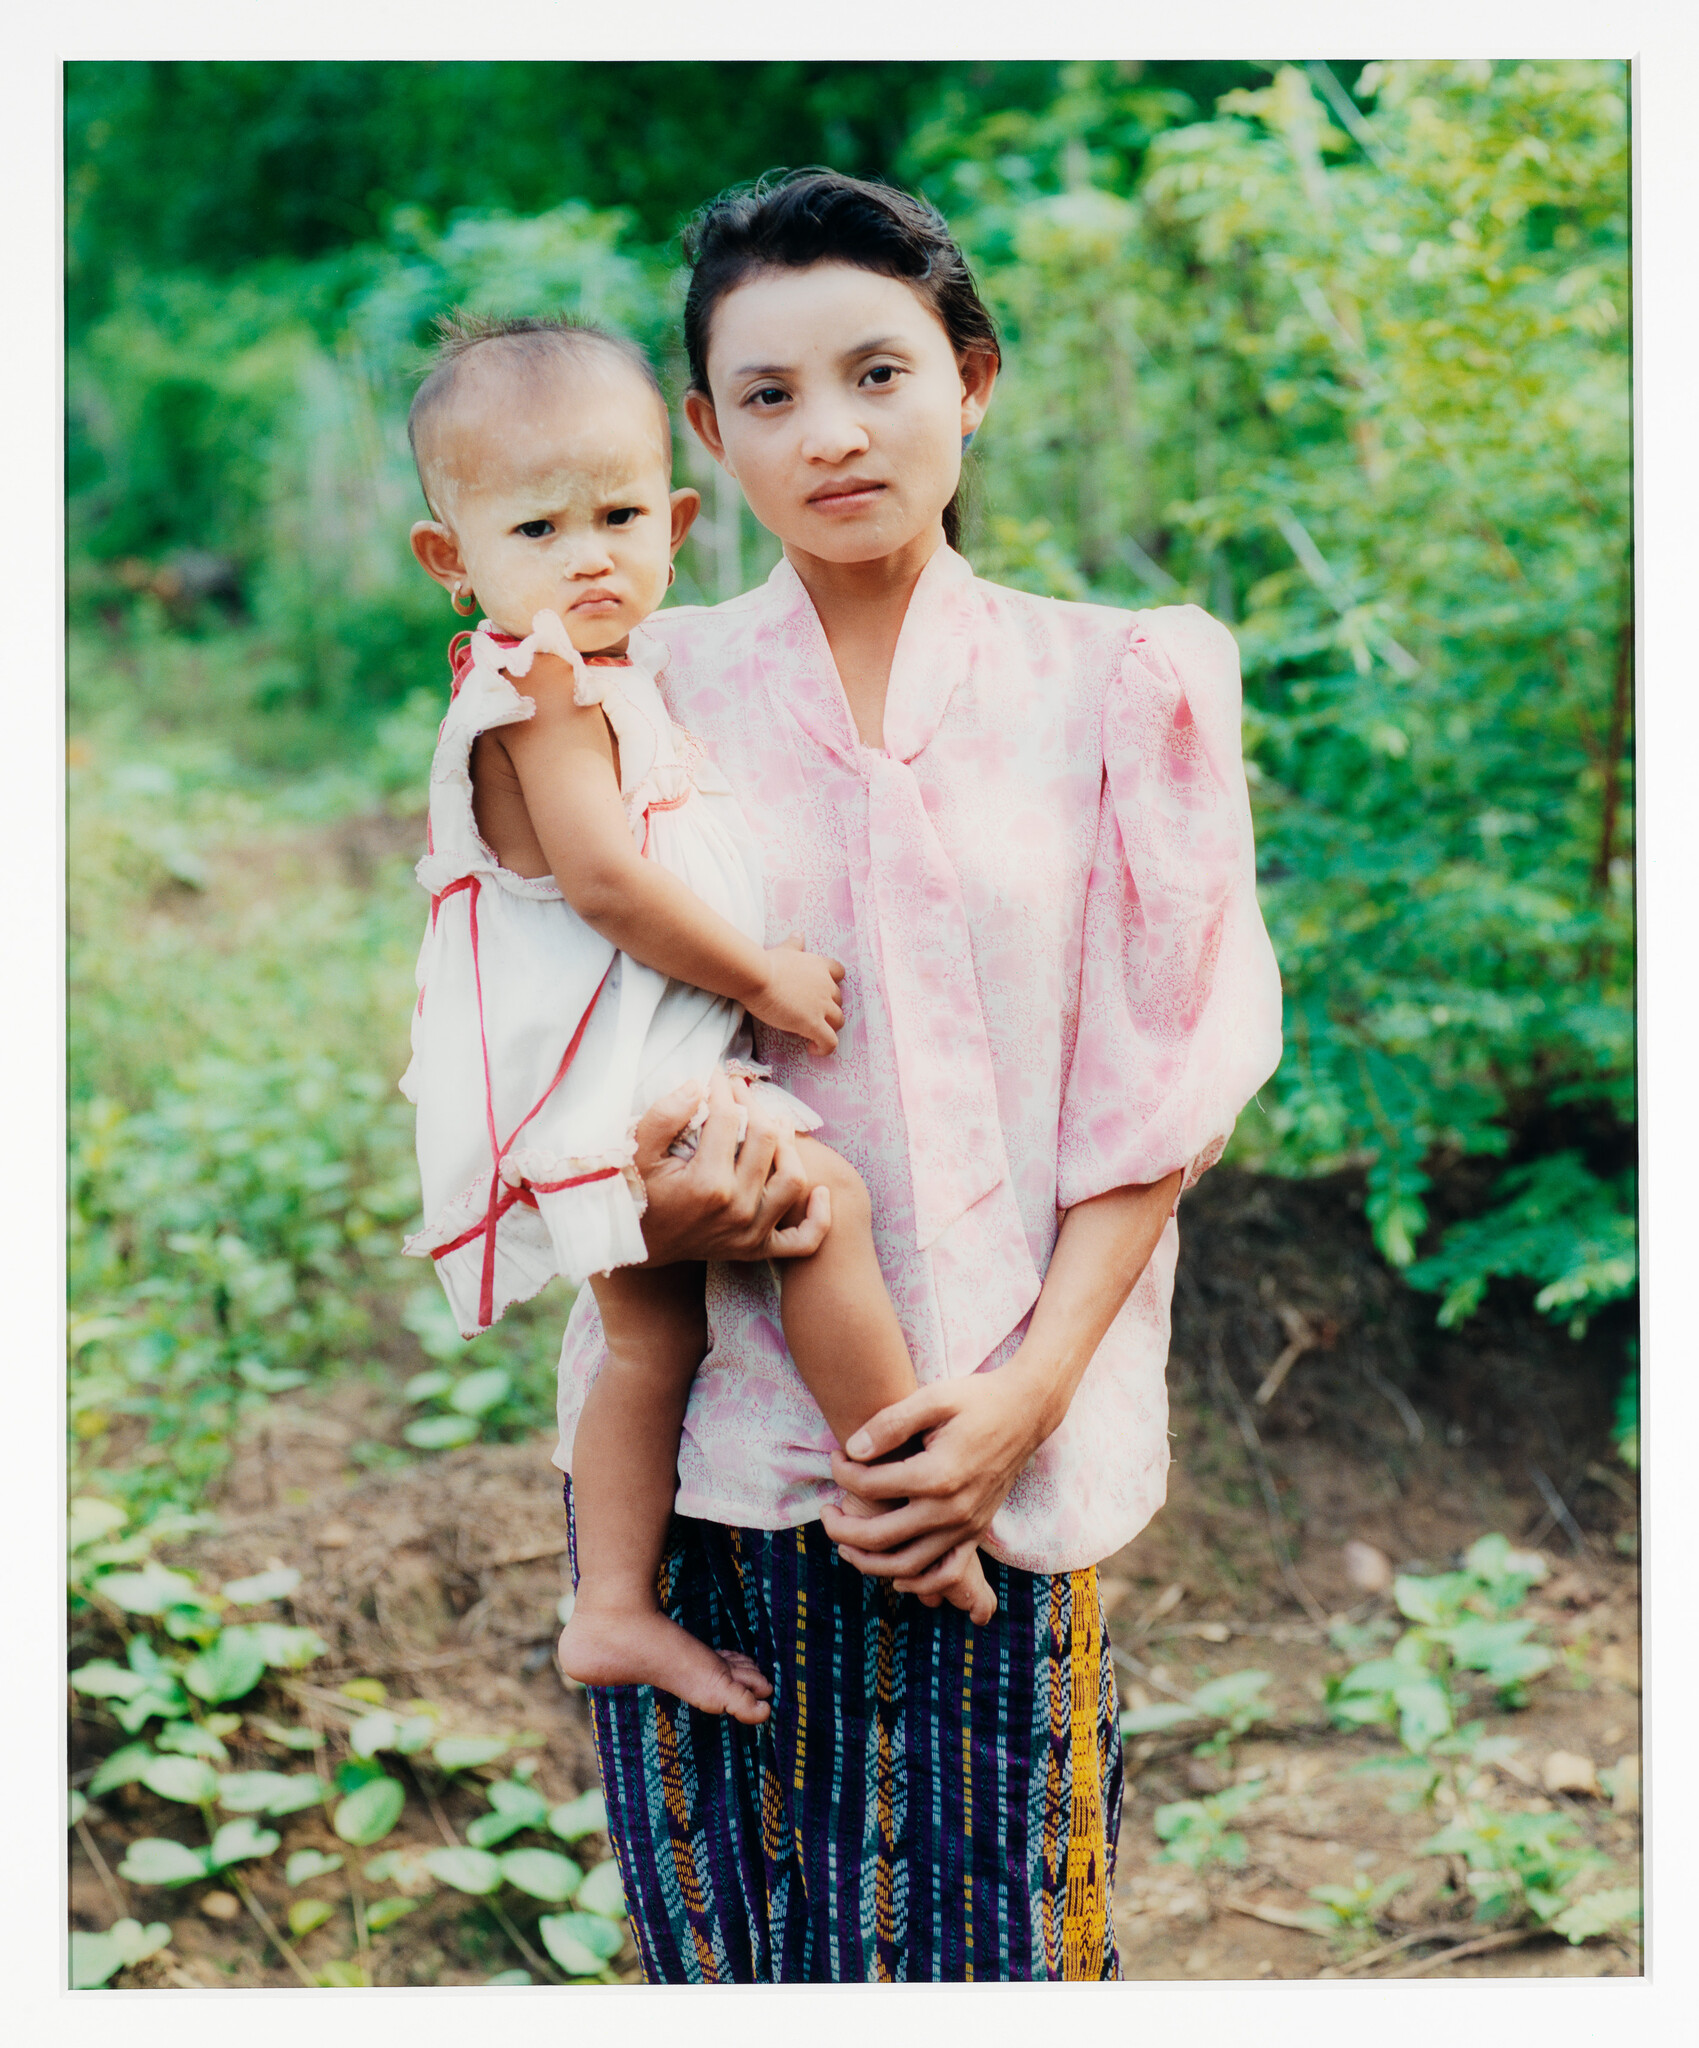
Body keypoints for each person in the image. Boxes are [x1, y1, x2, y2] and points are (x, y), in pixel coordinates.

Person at [549, 170, 1285, 1983]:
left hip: (996, 1465)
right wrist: (640, 1201)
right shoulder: (628, 696)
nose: (833, 432)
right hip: (713, 1457)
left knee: (997, 1961)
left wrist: (1024, 1398)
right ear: (708, 435)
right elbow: (527, 1031)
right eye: (771, 395)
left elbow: (1159, 1090)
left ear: (973, 379)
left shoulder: (1121, 684)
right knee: (738, 1965)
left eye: (879, 372)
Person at [399, 313, 999, 1728]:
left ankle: (611, 1604)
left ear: (674, 523)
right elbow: (605, 881)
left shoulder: (606, 675)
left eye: (618, 518)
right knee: (824, 1209)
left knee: (651, 1344)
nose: (587, 557)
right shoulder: (541, 686)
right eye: (536, 529)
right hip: (610, 1078)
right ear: (451, 559)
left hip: (606, 1071)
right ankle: (903, 1501)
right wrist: (761, 979)